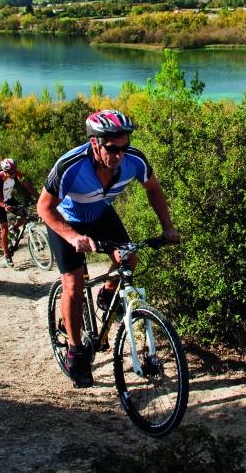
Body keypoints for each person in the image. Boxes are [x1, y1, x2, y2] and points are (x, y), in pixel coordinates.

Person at [37, 109, 180, 388]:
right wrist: (72, 237)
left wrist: (167, 227)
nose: (119, 156)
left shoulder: (134, 160)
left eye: (124, 148)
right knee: (74, 285)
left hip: (100, 214)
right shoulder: (71, 165)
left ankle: (106, 293)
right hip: (65, 220)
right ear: (94, 143)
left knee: (129, 258)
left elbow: (153, 188)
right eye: (112, 149)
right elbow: (43, 207)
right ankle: (76, 353)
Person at [0, 157, 40, 267]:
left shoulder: (16, 174)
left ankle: (16, 228)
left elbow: (28, 185)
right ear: (6, 171)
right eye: (12, 172)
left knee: (24, 215)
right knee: (4, 228)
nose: (14, 174)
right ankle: (7, 255)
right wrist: (4, 206)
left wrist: (38, 197)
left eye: (15, 171)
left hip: (9, 199)